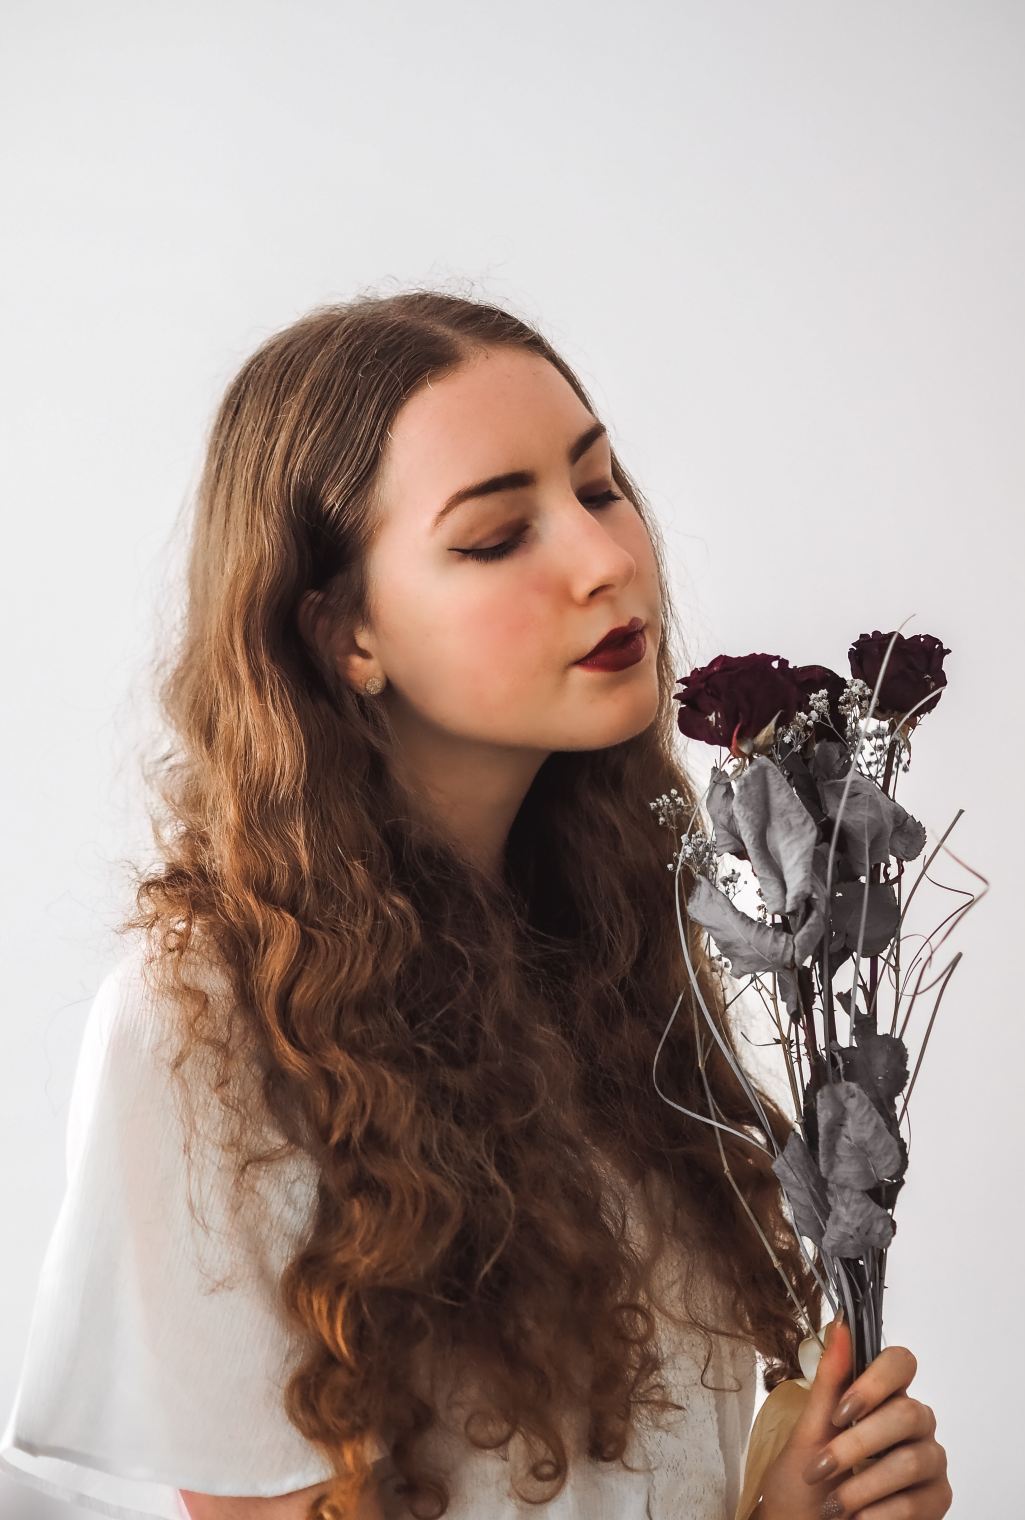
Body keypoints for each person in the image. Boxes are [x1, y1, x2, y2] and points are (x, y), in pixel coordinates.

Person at [1, 291, 951, 1520]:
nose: (607, 559)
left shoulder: (621, 938)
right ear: (344, 633)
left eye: (600, 488)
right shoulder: (211, 1014)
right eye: (500, 536)